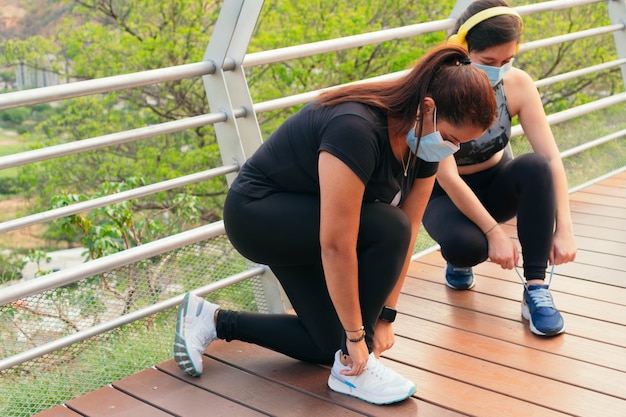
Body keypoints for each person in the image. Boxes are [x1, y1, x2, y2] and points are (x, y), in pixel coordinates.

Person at [174, 44, 496, 405]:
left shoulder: (422, 143)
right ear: (427, 109)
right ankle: (353, 369)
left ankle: (210, 319)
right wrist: (360, 339)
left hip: (307, 222)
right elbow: (338, 244)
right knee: (387, 228)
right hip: (258, 217)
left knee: (327, 342)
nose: (450, 149)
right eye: (452, 139)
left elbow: (411, 230)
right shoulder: (356, 128)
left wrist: (385, 317)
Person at [422, 0, 578, 337]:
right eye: (487, 61)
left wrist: (564, 228)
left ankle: (536, 289)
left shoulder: (517, 85)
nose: (497, 69)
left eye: (506, 61)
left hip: (495, 183)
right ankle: (459, 260)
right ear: (463, 49)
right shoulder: (437, 89)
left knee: (536, 167)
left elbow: (551, 157)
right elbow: (446, 176)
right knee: (469, 248)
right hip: (445, 195)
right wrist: (494, 233)